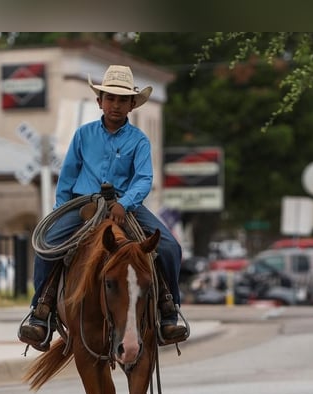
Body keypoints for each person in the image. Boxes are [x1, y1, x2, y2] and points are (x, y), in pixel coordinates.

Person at [18, 64, 188, 351]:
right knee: (46, 243)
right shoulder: (83, 135)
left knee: (170, 246)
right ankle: (41, 311)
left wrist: (124, 203)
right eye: (110, 98)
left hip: (128, 207)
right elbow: (68, 176)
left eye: (123, 99)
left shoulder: (139, 140)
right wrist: (63, 210)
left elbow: (145, 177)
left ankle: (169, 309)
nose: (116, 105)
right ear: (100, 101)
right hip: (83, 203)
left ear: (132, 104)